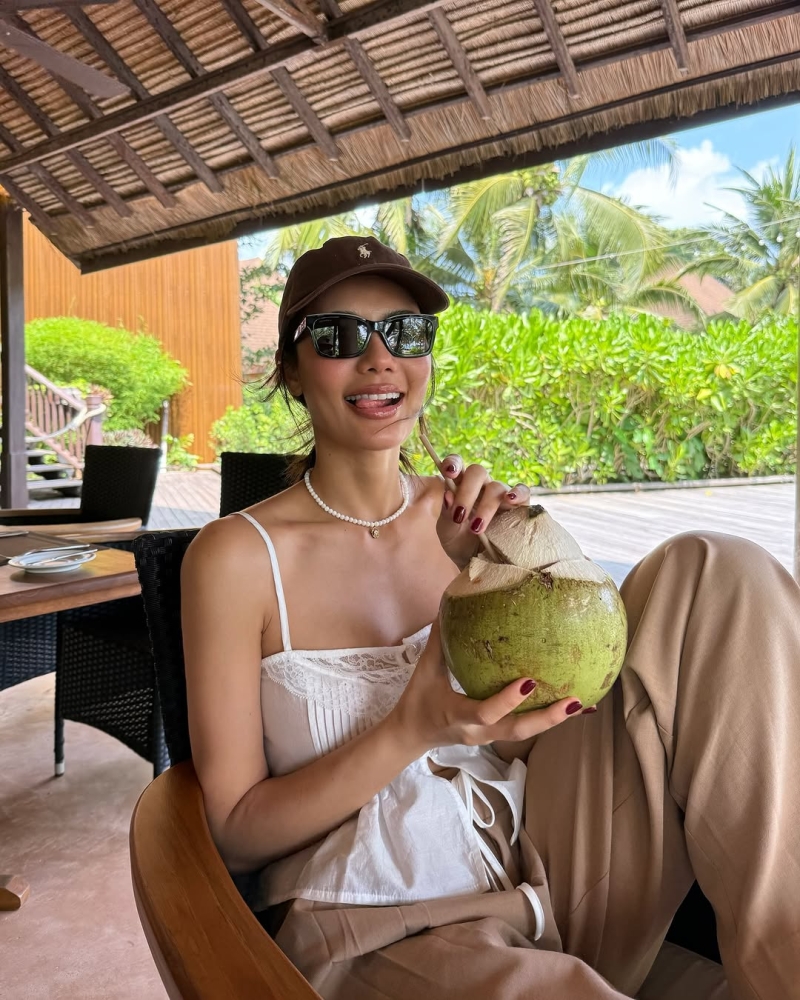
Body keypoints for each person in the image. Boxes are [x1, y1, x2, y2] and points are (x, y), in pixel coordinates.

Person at [181, 236, 800, 1000]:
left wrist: (511, 561)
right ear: (290, 369)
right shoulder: (234, 558)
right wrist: (410, 730)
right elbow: (236, 834)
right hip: (379, 921)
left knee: (714, 567)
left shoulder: (463, 524)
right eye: (340, 336)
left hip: (545, 875)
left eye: (405, 332)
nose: (379, 359)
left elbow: (554, 712)